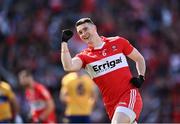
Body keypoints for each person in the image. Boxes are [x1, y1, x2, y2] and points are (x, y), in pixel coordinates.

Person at [60, 18, 146, 124]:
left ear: (94, 28)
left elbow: (139, 59)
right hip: (111, 104)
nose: (83, 34)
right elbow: (68, 67)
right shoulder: (84, 57)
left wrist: (141, 77)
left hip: (128, 95)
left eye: (86, 29)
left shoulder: (118, 41)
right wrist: (64, 43)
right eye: (80, 32)